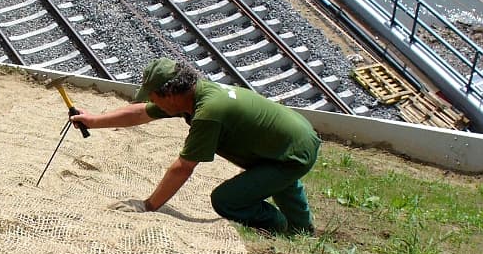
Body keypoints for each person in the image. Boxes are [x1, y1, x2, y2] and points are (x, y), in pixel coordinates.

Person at [70, 57, 321, 235]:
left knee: (227, 200)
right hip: (287, 141)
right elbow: (139, 114)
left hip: (291, 153)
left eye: (153, 96)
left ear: (169, 93)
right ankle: (301, 230)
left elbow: (183, 167)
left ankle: (278, 225)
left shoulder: (207, 112)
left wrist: (148, 205)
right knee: (280, 181)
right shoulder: (194, 94)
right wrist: (92, 121)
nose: (150, 101)